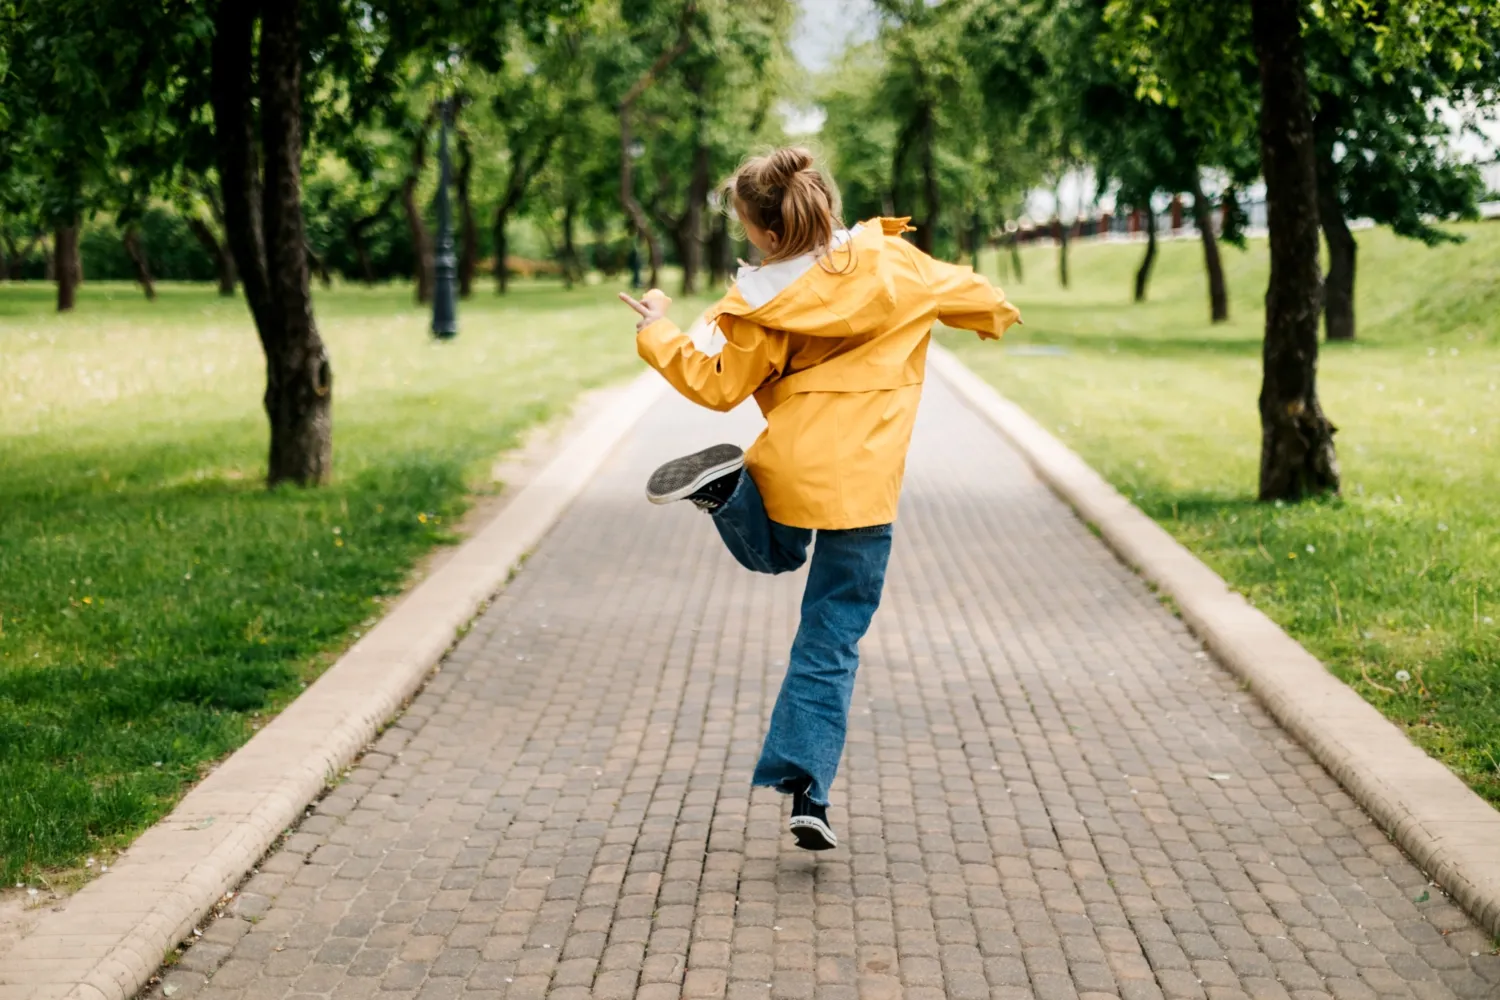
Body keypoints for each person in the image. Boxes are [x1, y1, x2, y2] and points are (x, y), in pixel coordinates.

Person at [619, 147, 1020, 851]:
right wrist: (993, 312)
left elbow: (714, 387)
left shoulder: (767, 303)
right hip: (865, 487)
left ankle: (726, 492)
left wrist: (655, 325)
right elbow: (975, 295)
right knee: (830, 635)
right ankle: (810, 791)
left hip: (794, 466)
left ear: (769, 236)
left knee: (775, 556)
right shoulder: (897, 265)